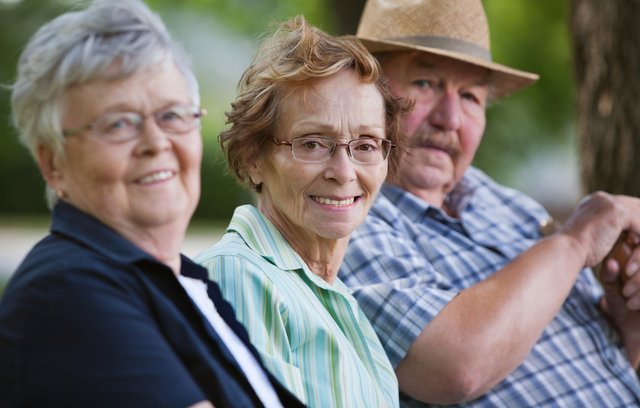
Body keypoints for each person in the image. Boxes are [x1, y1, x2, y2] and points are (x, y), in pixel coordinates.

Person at [0, 1, 305, 406]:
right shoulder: (66, 291)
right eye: (118, 124)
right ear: (52, 162)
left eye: (172, 115)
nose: (156, 143)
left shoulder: (184, 281)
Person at [339, 0, 640, 406]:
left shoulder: (511, 206)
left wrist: (629, 326)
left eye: (470, 97)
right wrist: (576, 242)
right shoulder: (346, 214)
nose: (451, 118)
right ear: (364, 93)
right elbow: (455, 369)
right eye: (425, 83)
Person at [195, 15, 403, 408]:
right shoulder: (240, 277)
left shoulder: (334, 295)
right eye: (311, 144)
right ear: (253, 157)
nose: (343, 172)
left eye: (366, 144)